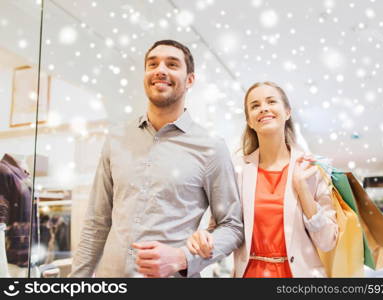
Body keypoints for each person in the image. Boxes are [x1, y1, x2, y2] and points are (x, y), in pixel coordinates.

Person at [70, 40, 244, 277]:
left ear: (190, 80)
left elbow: (232, 226)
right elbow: (96, 223)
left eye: (172, 64)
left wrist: (183, 257)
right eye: (153, 64)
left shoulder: (211, 147)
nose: (160, 70)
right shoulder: (116, 139)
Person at [187, 82, 338, 277]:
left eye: (271, 101)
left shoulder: (312, 169)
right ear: (249, 121)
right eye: (255, 105)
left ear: (287, 112)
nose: (264, 108)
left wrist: (302, 188)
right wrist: (204, 240)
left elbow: (327, 241)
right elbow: (221, 229)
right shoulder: (236, 172)